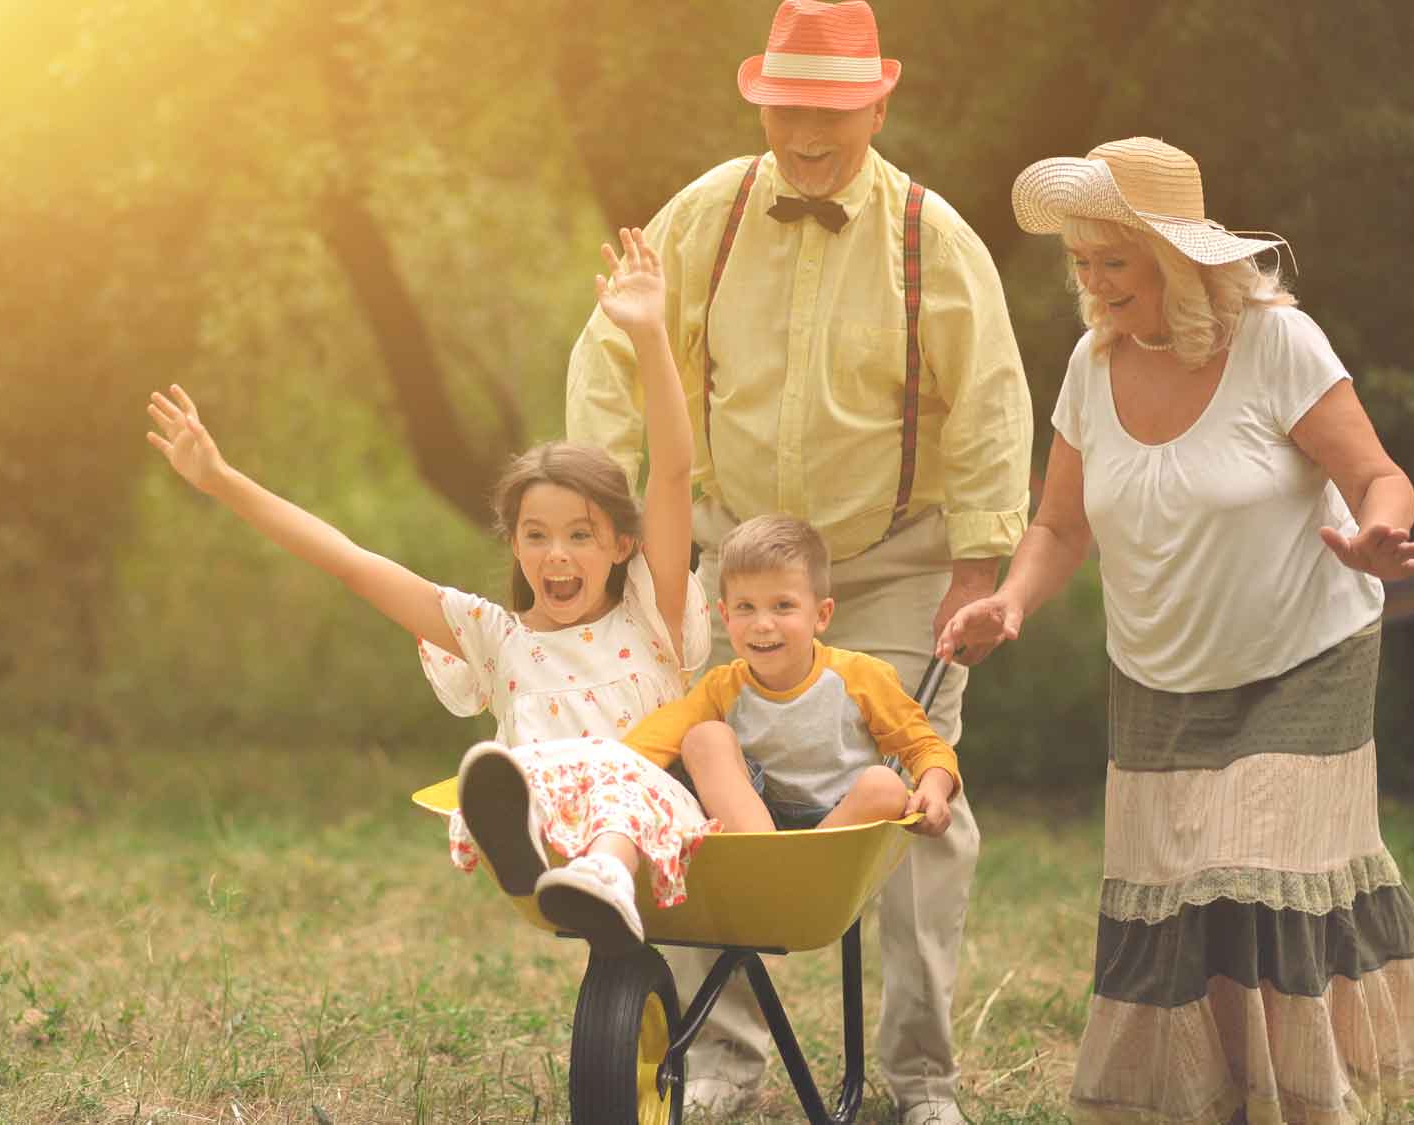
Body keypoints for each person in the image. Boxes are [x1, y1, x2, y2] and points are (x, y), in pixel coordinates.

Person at [939, 136, 1414, 1124]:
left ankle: (1305, 1104)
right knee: (1186, 902)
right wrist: (1012, 601)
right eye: (1080, 262)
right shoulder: (1088, 364)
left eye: (1111, 261)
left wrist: (1379, 530)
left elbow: (1377, 474)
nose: (1091, 283)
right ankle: (1223, 1102)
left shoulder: (1277, 344)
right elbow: (1060, 524)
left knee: (1250, 876)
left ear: (1176, 260)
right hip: (1159, 675)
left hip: (1302, 655)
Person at [566, 1, 1031, 1119]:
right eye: (785, 108)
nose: (805, 131)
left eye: (828, 108)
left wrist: (979, 563)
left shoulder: (931, 237)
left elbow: (987, 406)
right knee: (679, 778)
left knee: (923, 808)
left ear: (878, 98)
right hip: (727, 554)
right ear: (758, 101)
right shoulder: (704, 217)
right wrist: (600, 528)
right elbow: (613, 364)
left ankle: (918, 1080)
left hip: (889, 559)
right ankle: (724, 1056)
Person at [147, 230, 720, 948]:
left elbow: (669, 473)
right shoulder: (494, 636)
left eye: (581, 534)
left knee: (616, 767)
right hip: (557, 823)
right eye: (536, 534)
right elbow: (350, 562)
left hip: (652, 815)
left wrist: (649, 336)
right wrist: (222, 482)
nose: (557, 553)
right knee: (509, 769)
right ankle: (534, 840)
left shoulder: (649, 615)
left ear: (621, 546)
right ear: (513, 544)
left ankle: (604, 866)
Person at [626, 514, 961, 839]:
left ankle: (797, 868)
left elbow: (925, 746)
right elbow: (659, 735)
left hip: (837, 820)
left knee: (885, 785)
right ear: (725, 616)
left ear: (822, 614)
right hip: (754, 818)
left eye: (783, 606)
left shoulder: (860, 677)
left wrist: (933, 785)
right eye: (745, 607)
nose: (762, 623)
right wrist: (606, 766)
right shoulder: (722, 687)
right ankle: (768, 860)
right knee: (704, 738)